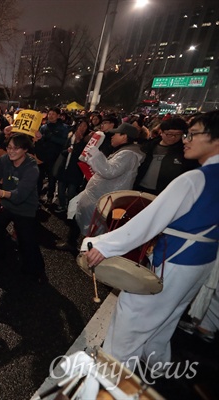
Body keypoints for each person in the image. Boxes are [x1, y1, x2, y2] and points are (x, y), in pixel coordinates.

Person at [84, 110, 219, 368]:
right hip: (202, 261)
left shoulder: (194, 179)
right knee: (168, 315)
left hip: (176, 258)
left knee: (133, 317)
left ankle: (110, 381)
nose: (186, 139)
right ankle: (156, 362)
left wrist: (103, 245)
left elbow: (148, 222)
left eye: (193, 134)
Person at [0, 134, 47, 284]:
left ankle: (35, 270)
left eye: (16, 148)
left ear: (25, 150)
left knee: (27, 241)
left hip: (25, 208)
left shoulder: (32, 168)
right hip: (7, 203)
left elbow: (20, 195)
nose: (11, 151)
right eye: (9, 147)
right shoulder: (4, 160)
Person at [75, 123, 145, 236]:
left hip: (103, 199)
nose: (112, 137)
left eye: (115, 134)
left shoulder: (128, 154)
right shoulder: (124, 151)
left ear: (124, 136)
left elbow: (109, 171)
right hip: (100, 198)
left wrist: (95, 153)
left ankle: (90, 251)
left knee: (96, 230)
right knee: (93, 228)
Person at [134, 117, 198, 195]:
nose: (173, 137)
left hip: (166, 192)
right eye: (169, 134)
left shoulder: (184, 151)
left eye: (178, 134)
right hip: (139, 189)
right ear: (161, 132)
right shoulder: (148, 147)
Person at [34, 107, 69, 204]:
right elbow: (40, 140)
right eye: (49, 114)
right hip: (42, 156)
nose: (51, 116)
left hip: (55, 157)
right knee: (39, 177)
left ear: (58, 116)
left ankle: (50, 196)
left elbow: (64, 142)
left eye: (53, 114)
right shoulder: (43, 127)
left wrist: (51, 137)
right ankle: (37, 195)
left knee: (51, 178)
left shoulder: (64, 127)